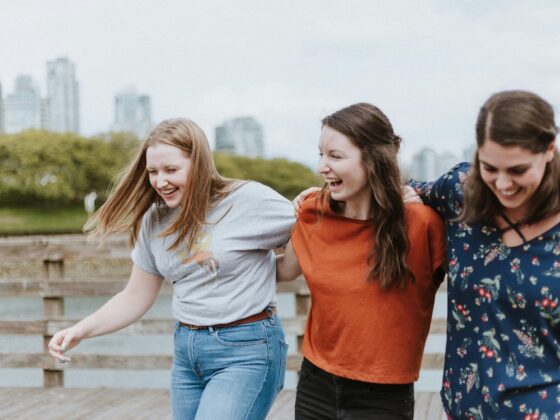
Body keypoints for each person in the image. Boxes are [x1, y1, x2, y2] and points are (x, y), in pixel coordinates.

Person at [48, 118, 294, 420]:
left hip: (247, 351)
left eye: (171, 170)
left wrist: (280, 265)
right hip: (187, 354)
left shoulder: (247, 201)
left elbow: (312, 236)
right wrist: (80, 330)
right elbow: (135, 296)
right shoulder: (154, 219)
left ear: (199, 164)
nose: (160, 181)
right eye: (153, 171)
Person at [277, 102, 447, 419]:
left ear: (373, 160)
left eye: (335, 156)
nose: (322, 166)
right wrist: (215, 260)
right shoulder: (313, 211)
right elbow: (283, 270)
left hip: (383, 397)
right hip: (316, 384)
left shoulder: (422, 223)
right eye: (321, 154)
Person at [407, 90, 560, 419]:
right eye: (490, 167)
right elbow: (399, 191)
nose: (503, 184)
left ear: (549, 150)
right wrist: (318, 202)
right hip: (462, 409)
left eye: (518, 170)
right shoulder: (461, 189)